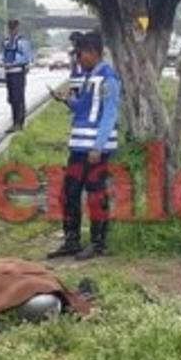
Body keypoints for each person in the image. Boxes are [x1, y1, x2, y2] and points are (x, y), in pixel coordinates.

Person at [47, 32, 120, 261]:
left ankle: (98, 243)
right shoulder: (90, 77)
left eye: (81, 54)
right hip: (79, 147)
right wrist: (66, 100)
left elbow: (109, 115)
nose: (78, 59)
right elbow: (84, 110)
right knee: (70, 193)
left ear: (94, 53)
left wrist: (98, 148)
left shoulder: (108, 79)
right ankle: (72, 241)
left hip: (94, 150)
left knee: (96, 195)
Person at [2, 19, 33, 131]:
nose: (11, 30)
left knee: (18, 98)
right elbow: (3, 55)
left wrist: (13, 64)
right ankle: (14, 121)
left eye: (13, 28)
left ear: (17, 28)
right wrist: (2, 62)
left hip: (18, 72)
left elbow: (27, 58)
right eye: (10, 28)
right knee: (11, 99)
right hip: (8, 73)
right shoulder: (6, 41)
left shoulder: (22, 41)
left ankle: (19, 123)